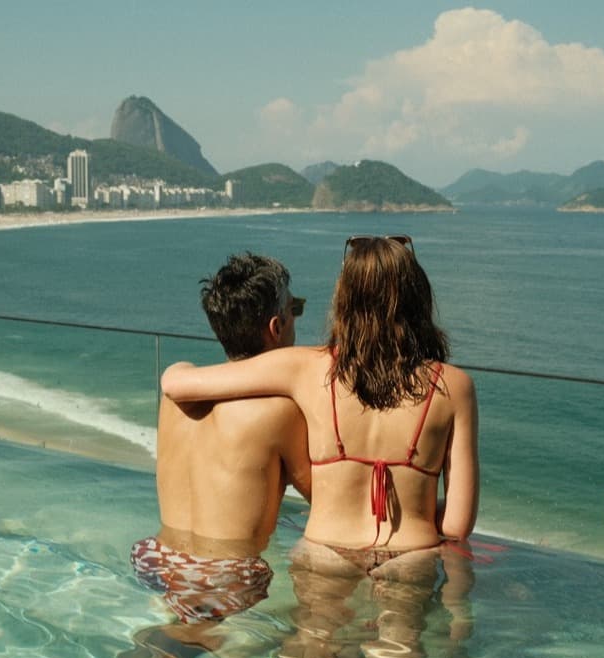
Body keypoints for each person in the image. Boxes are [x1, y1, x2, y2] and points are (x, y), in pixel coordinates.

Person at [160, 235, 479, 571]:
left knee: (315, 625)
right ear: (418, 298)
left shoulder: (305, 368)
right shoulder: (455, 386)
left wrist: (177, 369)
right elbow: (457, 526)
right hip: (412, 558)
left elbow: (175, 384)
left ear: (344, 300)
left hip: (323, 554)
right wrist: (414, 513)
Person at [130, 252, 312, 619]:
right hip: (227, 573)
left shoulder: (177, 391)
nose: (298, 318)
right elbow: (330, 500)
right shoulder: (279, 413)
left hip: (157, 555)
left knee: (169, 644)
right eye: (296, 308)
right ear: (276, 327)